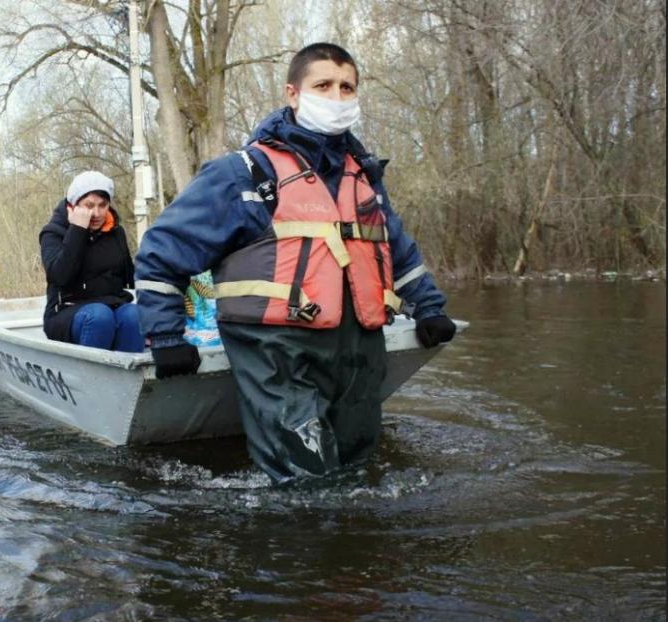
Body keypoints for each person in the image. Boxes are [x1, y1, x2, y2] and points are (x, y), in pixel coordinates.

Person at [134, 43, 457, 484]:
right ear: (292, 93)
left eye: (348, 88)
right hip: (276, 348)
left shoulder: (362, 176)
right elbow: (162, 253)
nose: (337, 98)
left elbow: (397, 252)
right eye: (323, 85)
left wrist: (430, 307)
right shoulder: (243, 173)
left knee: (358, 468)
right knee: (307, 480)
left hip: (358, 344)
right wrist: (167, 335)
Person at [38, 171, 143, 352]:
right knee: (99, 316)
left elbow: (130, 275)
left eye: (103, 205)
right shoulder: (53, 232)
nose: (96, 213)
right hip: (67, 311)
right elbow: (59, 276)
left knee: (134, 315)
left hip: (111, 304)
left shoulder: (116, 232)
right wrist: (77, 230)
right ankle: (91, 378)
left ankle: (128, 377)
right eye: (89, 205)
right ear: (74, 204)